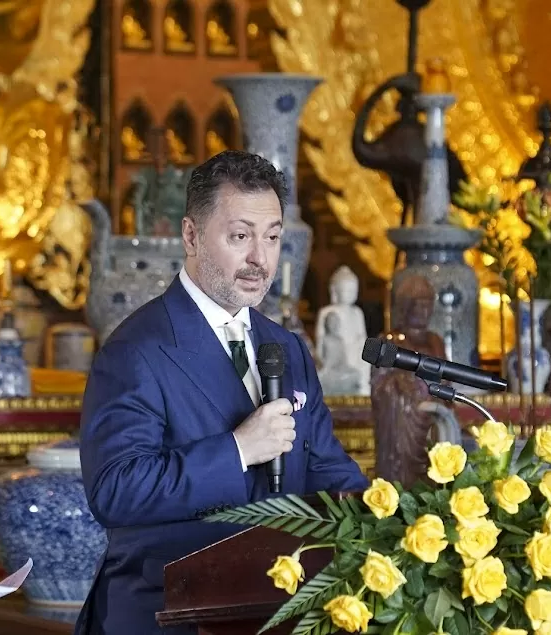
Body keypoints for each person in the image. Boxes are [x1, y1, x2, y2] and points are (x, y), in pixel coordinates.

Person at [74, 151, 369, 635]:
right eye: (240, 237)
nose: (260, 258)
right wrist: (237, 450)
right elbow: (115, 490)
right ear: (191, 236)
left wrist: (396, 517)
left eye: (273, 238)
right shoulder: (137, 349)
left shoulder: (287, 347)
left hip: (271, 608)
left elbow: (325, 469)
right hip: (163, 613)